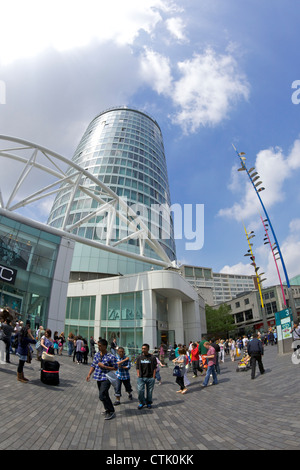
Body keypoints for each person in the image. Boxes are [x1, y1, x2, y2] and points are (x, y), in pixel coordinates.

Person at [86, 338, 118, 420]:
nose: (99, 347)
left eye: (100, 346)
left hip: (106, 377)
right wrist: (89, 374)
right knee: (105, 394)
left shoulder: (111, 356)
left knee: (102, 395)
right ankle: (107, 409)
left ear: (105, 346)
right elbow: (93, 365)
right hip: (98, 377)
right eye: (98, 346)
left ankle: (111, 411)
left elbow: (115, 368)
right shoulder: (97, 355)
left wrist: (105, 367)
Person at [136, 343, 157, 409]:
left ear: (148, 349)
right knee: (140, 391)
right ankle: (142, 402)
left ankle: (148, 403)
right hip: (141, 377)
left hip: (150, 377)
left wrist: (153, 376)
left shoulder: (152, 357)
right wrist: (138, 375)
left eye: (145, 348)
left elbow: (154, 368)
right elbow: (137, 367)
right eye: (142, 348)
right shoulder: (139, 357)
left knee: (149, 392)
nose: (143, 350)